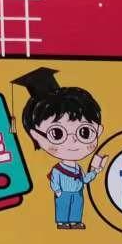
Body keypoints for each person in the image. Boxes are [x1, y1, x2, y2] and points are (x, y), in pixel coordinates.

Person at [14, 67, 106, 229]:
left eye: (85, 132)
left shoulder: (78, 168)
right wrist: (57, 191)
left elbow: (84, 180)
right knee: (63, 208)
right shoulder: (58, 169)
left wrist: (96, 171)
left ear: (98, 130)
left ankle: (75, 222)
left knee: (77, 207)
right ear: (36, 136)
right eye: (57, 134)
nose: (73, 141)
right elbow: (55, 181)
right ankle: (63, 222)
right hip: (63, 194)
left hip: (77, 193)